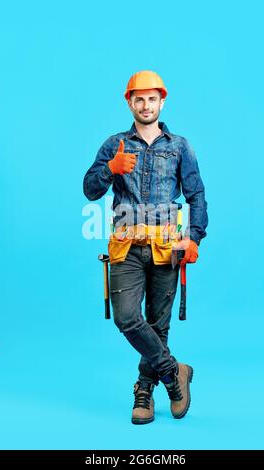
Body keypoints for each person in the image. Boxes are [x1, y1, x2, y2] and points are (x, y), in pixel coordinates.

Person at [83, 70, 208, 425]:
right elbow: (90, 189)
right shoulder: (114, 145)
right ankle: (173, 373)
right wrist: (110, 168)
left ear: (161, 101)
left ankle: (144, 391)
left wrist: (194, 237)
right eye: (139, 98)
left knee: (158, 324)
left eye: (152, 98)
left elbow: (196, 195)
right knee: (126, 317)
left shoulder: (180, 146)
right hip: (125, 248)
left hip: (167, 248)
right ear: (129, 102)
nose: (146, 104)